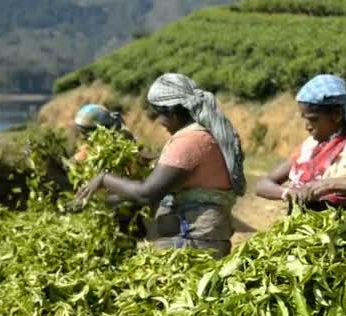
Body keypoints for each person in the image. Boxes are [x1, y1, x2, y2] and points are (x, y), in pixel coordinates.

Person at [74, 73, 246, 258]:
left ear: (171, 112)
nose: (159, 122)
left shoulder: (190, 140)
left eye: (159, 115)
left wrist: (104, 179)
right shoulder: (197, 135)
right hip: (195, 238)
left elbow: (145, 193)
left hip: (194, 241)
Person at [256, 74, 346, 234]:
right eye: (305, 119)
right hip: (306, 236)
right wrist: (288, 193)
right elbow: (263, 185)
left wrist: (333, 185)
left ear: (337, 115)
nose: (307, 127)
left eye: (313, 119)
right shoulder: (309, 147)